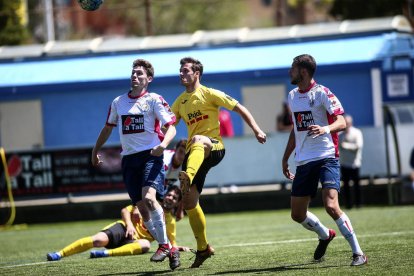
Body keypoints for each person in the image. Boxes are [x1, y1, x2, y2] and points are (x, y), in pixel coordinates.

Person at [171, 56, 267, 268]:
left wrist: (257, 129)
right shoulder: (180, 101)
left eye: (185, 70)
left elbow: (239, 107)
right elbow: (169, 124)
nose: (181, 74)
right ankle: (203, 248)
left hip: (213, 147)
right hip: (193, 154)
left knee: (197, 139)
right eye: (180, 70)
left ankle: (188, 175)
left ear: (197, 74)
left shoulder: (210, 93)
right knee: (189, 203)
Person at [90, 59, 179, 269]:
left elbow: (172, 128)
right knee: (141, 209)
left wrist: (163, 145)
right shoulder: (118, 102)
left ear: (149, 79)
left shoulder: (154, 99)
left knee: (149, 198)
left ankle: (164, 246)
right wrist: (95, 151)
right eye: (133, 73)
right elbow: (107, 128)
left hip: (151, 155)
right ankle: (169, 247)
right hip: (129, 160)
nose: (135, 76)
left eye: (140, 73)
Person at [281, 54, 367, 266]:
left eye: (292, 68)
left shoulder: (323, 93)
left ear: (303, 72)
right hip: (303, 161)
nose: (289, 72)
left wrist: (325, 128)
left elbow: (341, 122)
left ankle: (358, 253)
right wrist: (285, 158)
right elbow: (296, 129)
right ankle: (324, 234)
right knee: (297, 214)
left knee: (331, 205)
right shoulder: (292, 96)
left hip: (327, 157)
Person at [46, 186, 188, 270]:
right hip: (123, 228)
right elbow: (125, 210)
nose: (170, 198)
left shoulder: (171, 221)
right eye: (169, 194)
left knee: (145, 244)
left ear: (177, 204)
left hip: (134, 242)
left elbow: (171, 242)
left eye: (174, 198)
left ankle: (104, 254)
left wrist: (179, 247)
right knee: (97, 241)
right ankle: (59, 254)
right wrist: (130, 225)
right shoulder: (150, 202)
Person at [339, 114, 364, 209]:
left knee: (357, 185)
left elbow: (358, 146)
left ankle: (358, 204)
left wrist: (345, 145)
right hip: (344, 163)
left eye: (348, 123)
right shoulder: (340, 135)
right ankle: (348, 205)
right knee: (346, 186)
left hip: (355, 164)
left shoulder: (357, 132)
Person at [164, 138, 187, 220]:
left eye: (185, 154)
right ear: (175, 150)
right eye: (180, 151)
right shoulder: (164, 159)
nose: (182, 156)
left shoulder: (186, 167)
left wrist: (180, 210)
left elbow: (184, 190)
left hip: (166, 184)